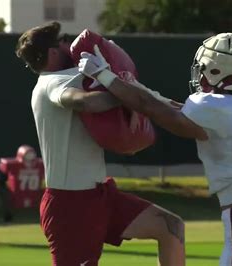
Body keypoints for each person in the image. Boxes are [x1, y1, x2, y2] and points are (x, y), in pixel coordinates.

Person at [78, 33, 232, 265]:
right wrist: (133, 85)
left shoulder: (211, 107)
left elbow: (154, 109)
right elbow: (173, 108)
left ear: (216, 69)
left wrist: (103, 76)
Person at [15, 21, 186, 266]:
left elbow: (140, 92)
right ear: (53, 52)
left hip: (100, 195)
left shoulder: (75, 74)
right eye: (61, 41)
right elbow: (87, 103)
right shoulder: (50, 83)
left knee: (171, 228)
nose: (67, 44)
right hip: (70, 206)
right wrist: (123, 94)